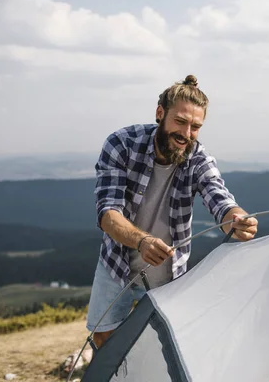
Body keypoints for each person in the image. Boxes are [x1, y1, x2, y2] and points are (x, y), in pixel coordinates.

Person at [86, 74, 258, 348]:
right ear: (160, 113)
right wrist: (141, 241)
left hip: (168, 275)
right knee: (104, 337)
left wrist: (236, 220)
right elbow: (108, 213)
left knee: (157, 346)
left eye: (195, 127)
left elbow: (219, 197)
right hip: (116, 263)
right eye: (180, 121)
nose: (186, 134)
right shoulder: (121, 144)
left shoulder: (199, 157)